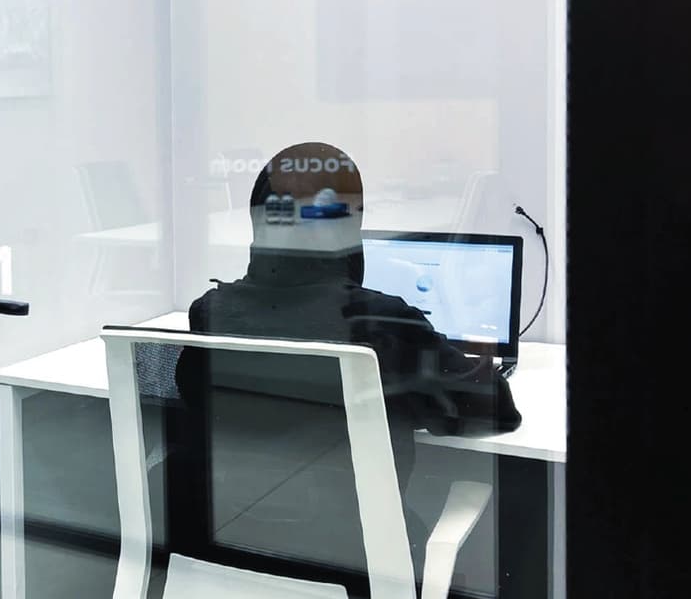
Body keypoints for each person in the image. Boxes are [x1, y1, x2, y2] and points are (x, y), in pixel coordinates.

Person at [169, 141, 521, 566]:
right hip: (351, 563)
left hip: (229, 543)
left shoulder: (211, 311)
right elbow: (494, 408)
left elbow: (194, 395)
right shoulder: (378, 322)